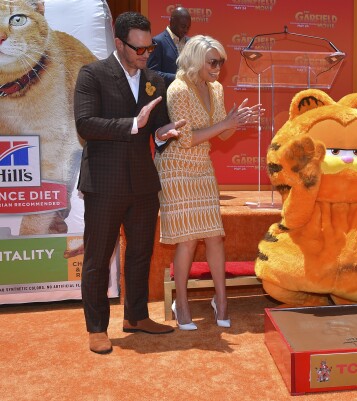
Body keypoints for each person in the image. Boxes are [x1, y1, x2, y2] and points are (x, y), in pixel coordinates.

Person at [74, 11, 185, 354]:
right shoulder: (92, 74)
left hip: (143, 183)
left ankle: (136, 316)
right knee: (97, 258)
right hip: (104, 183)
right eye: (138, 49)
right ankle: (97, 328)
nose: (145, 54)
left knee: (140, 254)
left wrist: (165, 133)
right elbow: (86, 124)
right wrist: (133, 124)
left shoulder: (155, 80)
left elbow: (159, 128)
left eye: (149, 48)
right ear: (119, 43)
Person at [154, 35, 260, 330]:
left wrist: (235, 123)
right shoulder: (178, 89)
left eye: (221, 62)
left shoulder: (215, 88)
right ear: (196, 60)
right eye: (213, 62)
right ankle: (182, 303)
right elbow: (186, 139)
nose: (218, 68)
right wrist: (224, 124)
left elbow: (221, 135)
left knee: (214, 235)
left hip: (202, 166)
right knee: (188, 239)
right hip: (177, 167)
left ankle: (221, 300)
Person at [147, 6, 191, 87]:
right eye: (183, 26)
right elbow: (151, 73)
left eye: (188, 27)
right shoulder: (157, 41)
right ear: (172, 22)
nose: (186, 30)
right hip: (166, 95)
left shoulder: (190, 42)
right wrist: (178, 78)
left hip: (188, 95)